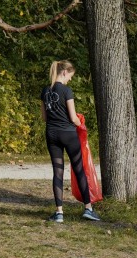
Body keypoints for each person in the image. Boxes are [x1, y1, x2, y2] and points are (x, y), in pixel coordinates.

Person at [40, 60, 100, 223]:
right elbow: (73, 118)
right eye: (70, 76)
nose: (70, 80)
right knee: (79, 169)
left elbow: (44, 117)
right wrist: (81, 124)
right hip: (68, 134)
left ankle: (59, 213)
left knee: (57, 171)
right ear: (64, 72)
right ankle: (88, 208)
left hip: (52, 134)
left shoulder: (45, 91)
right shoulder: (66, 90)